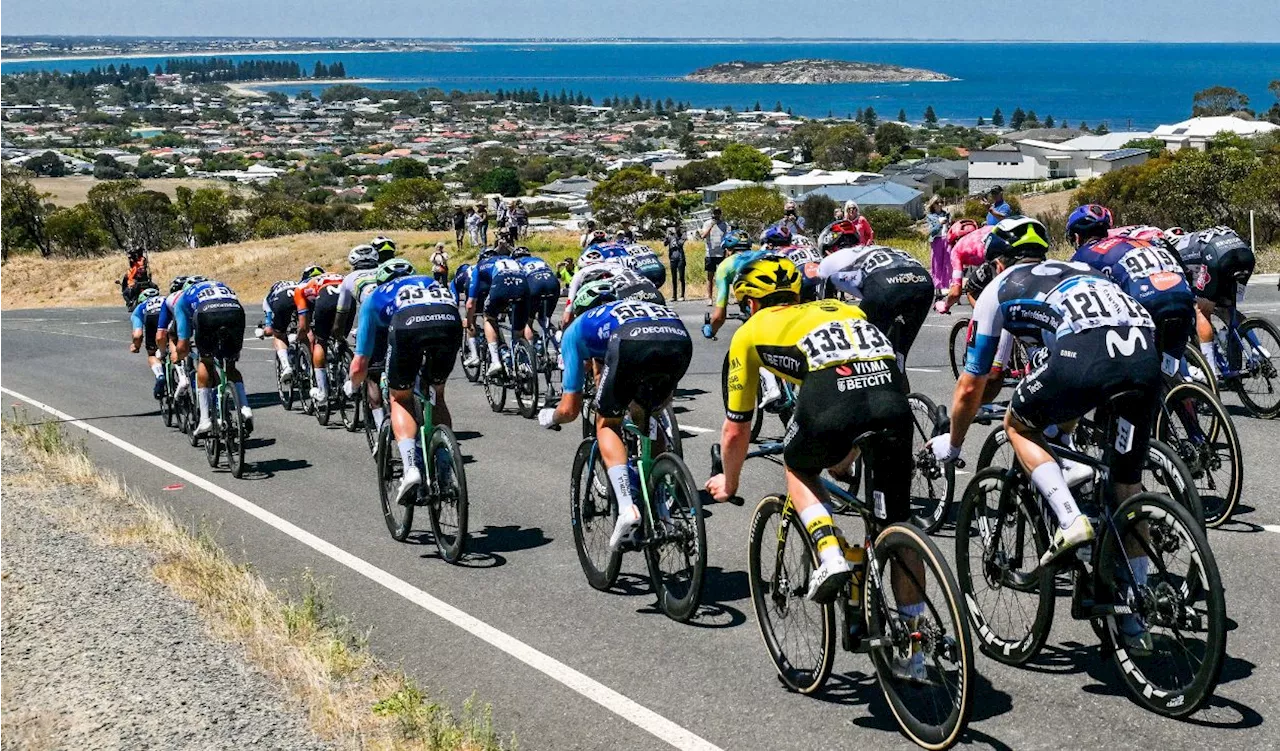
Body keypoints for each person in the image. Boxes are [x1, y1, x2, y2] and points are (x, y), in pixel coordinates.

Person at [928, 217, 1161, 651]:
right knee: (1126, 482)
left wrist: (954, 443)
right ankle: (1135, 610)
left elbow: (973, 382)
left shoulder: (998, 289)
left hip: (1084, 354)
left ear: (998, 261)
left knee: (1018, 425)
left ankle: (1070, 519)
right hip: (1143, 350)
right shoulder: (1080, 269)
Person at [705, 256, 919, 629]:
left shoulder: (750, 331)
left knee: (798, 465)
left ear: (750, 303)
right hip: (893, 399)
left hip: (833, 398)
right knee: (898, 526)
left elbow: (737, 427)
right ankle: (915, 643)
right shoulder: (839, 306)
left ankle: (830, 553)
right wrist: (847, 451)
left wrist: (730, 481)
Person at [538, 280, 693, 549]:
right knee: (650, 415)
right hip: (677, 337)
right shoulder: (621, 309)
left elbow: (570, 409)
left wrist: (550, 417)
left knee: (606, 423)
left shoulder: (575, 330)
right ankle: (662, 509)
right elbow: (604, 369)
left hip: (631, 342)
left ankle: (626, 508)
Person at [349, 260, 462, 503]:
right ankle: (444, 465)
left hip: (407, 325)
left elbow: (359, 364)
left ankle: (411, 468)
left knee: (399, 398)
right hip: (449, 322)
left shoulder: (375, 296)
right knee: (436, 393)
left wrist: (353, 384)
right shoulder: (429, 281)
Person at [1067, 205, 1195, 377]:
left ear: (1076, 237)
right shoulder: (1135, 240)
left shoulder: (1083, 255)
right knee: (1171, 356)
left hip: (1147, 304)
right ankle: (1189, 395)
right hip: (1182, 295)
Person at [817, 220, 934, 373]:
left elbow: (823, 308)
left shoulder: (828, 261)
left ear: (827, 250)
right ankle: (901, 386)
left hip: (885, 284)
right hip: (922, 280)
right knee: (899, 354)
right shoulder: (873, 248)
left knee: (861, 349)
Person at [158, 277, 254, 437]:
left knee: (206, 361)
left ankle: (204, 421)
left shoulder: (182, 300)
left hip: (206, 314)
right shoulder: (219, 284)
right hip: (235, 311)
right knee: (230, 365)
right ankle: (245, 408)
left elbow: (182, 345)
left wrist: (178, 357)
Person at [1174, 226, 1256, 376]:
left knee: (1201, 310)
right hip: (1245, 255)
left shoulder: (1176, 251)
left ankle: (1210, 372)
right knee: (1228, 307)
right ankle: (1258, 351)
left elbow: (1184, 284)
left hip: (1216, 257)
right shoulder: (1194, 237)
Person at [466, 247, 530, 377]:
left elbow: (471, 303)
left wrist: (468, 320)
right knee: (518, 330)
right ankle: (522, 361)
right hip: (523, 285)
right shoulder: (510, 259)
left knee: (488, 317)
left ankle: (495, 361)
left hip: (501, 283)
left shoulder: (479, 266)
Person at [293, 266, 345, 403]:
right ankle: (342, 363)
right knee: (340, 335)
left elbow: (304, 326)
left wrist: (299, 336)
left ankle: (322, 390)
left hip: (326, 300)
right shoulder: (331, 275)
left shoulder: (300, 288)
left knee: (320, 341)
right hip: (345, 295)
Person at [937, 220, 992, 313]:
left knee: (970, 290)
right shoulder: (986, 229)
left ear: (955, 240)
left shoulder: (957, 249)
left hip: (994, 261)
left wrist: (945, 305)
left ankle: (984, 321)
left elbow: (956, 292)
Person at [513, 246, 561, 351]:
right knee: (545, 319)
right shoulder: (539, 259)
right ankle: (559, 342)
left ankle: (531, 352)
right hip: (553, 283)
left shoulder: (516, 263)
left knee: (527, 321)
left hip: (534, 284)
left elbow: (518, 283)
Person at [128, 286, 166, 399]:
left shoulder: (140, 307)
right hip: (167, 314)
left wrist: (136, 346)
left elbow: (138, 334)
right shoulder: (165, 299)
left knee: (152, 354)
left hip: (151, 318)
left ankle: (160, 375)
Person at [261, 277, 299, 379]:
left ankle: (286, 366)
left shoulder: (268, 297)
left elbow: (269, 329)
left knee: (278, 335)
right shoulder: (296, 284)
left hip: (281, 302)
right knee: (306, 329)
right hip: (301, 296)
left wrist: (264, 331)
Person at [699, 207, 730, 302]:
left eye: (718, 213)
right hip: (710, 253)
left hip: (721, 253)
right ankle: (709, 297)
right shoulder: (707, 223)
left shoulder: (724, 224)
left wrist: (727, 252)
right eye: (715, 213)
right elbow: (703, 236)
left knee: (722, 276)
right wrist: (711, 226)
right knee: (710, 276)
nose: (716, 215)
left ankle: (722, 297)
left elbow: (727, 238)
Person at [926, 196, 951, 296]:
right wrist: (940, 224)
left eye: (941, 202)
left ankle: (946, 285)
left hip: (947, 239)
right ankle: (937, 286)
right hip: (937, 240)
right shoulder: (930, 216)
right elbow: (932, 232)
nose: (940, 204)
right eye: (937, 203)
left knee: (948, 263)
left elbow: (950, 227)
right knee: (937, 264)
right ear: (933, 205)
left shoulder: (946, 214)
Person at [665, 225, 687, 300]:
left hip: (680, 257)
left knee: (681, 277)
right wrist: (667, 236)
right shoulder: (670, 236)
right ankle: (674, 295)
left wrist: (675, 235)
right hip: (672, 258)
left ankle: (682, 295)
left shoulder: (682, 235)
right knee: (673, 277)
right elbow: (665, 244)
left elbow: (680, 244)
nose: (676, 229)